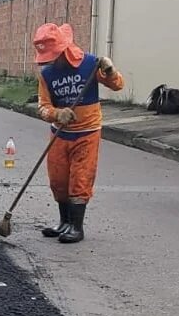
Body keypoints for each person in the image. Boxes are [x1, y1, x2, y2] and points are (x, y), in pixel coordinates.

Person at [33, 23, 124, 243]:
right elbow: (43, 107)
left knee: (80, 180)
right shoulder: (47, 74)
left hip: (87, 133)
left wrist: (109, 70)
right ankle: (64, 222)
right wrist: (57, 114)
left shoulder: (90, 64)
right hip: (60, 134)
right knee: (58, 180)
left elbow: (118, 85)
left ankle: (77, 227)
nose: (51, 60)